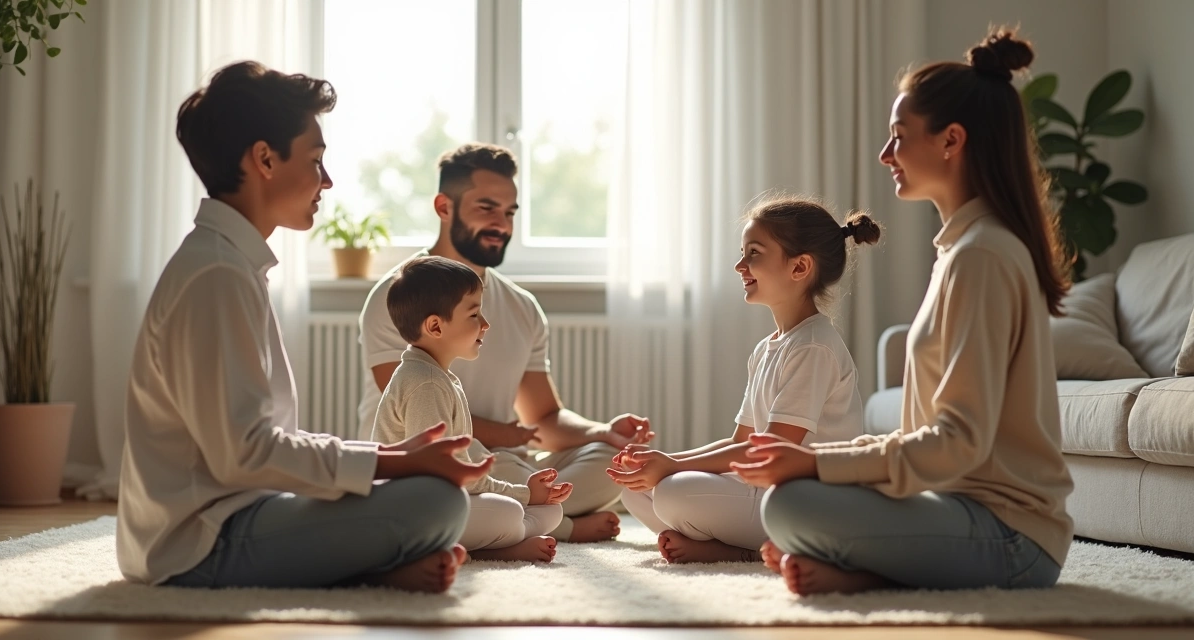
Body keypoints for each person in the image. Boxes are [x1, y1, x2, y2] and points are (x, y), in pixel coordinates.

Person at [117, 61, 491, 593]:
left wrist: (390, 463)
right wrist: (394, 461)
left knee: (429, 498)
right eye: (316, 161)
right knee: (438, 502)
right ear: (265, 159)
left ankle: (370, 564)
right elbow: (245, 453)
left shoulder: (229, 263)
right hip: (199, 545)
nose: (328, 180)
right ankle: (372, 568)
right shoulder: (217, 275)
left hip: (238, 510)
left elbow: (259, 446)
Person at [735, 27, 1074, 595]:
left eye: (898, 137)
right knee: (792, 497)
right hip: (956, 505)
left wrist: (815, 465)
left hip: (1014, 538)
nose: (885, 155)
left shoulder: (983, 256)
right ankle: (867, 571)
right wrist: (817, 458)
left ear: (951, 141)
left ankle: (867, 573)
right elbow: (926, 442)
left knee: (790, 506)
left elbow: (956, 443)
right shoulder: (963, 250)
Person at [357, 143, 653, 543]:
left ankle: (529, 505)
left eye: (510, 212)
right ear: (444, 207)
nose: (503, 224)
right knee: (488, 459)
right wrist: (508, 442)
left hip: (505, 464)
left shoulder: (522, 307)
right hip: (430, 464)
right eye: (487, 208)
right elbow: (426, 425)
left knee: (617, 463)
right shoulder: (398, 296)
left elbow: (543, 420)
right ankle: (544, 514)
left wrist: (603, 432)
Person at [609, 197, 878, 564]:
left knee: (671, 492)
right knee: (635, 490)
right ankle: (732, 547)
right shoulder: (768, 348)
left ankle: (746, 551)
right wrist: (664, 459)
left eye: (754, 253)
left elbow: (769, 452)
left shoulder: (814, 347)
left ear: (799, 267)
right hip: (764, 488)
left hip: (804, 501)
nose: (740, 265)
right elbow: (741, 442)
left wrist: (672, 467)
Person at [372, 256, 572, 563]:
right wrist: (524, 494)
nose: (486, 324)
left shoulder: (438, 376)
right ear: (436, 326)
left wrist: (522, 492)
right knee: (509, 512)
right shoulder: (426, 384)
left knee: (549, 510)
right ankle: (481, 546)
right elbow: (446, 473)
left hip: (439, 499)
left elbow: (463, 457)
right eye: (475, 314)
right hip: (415, 510)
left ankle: (486, 544)